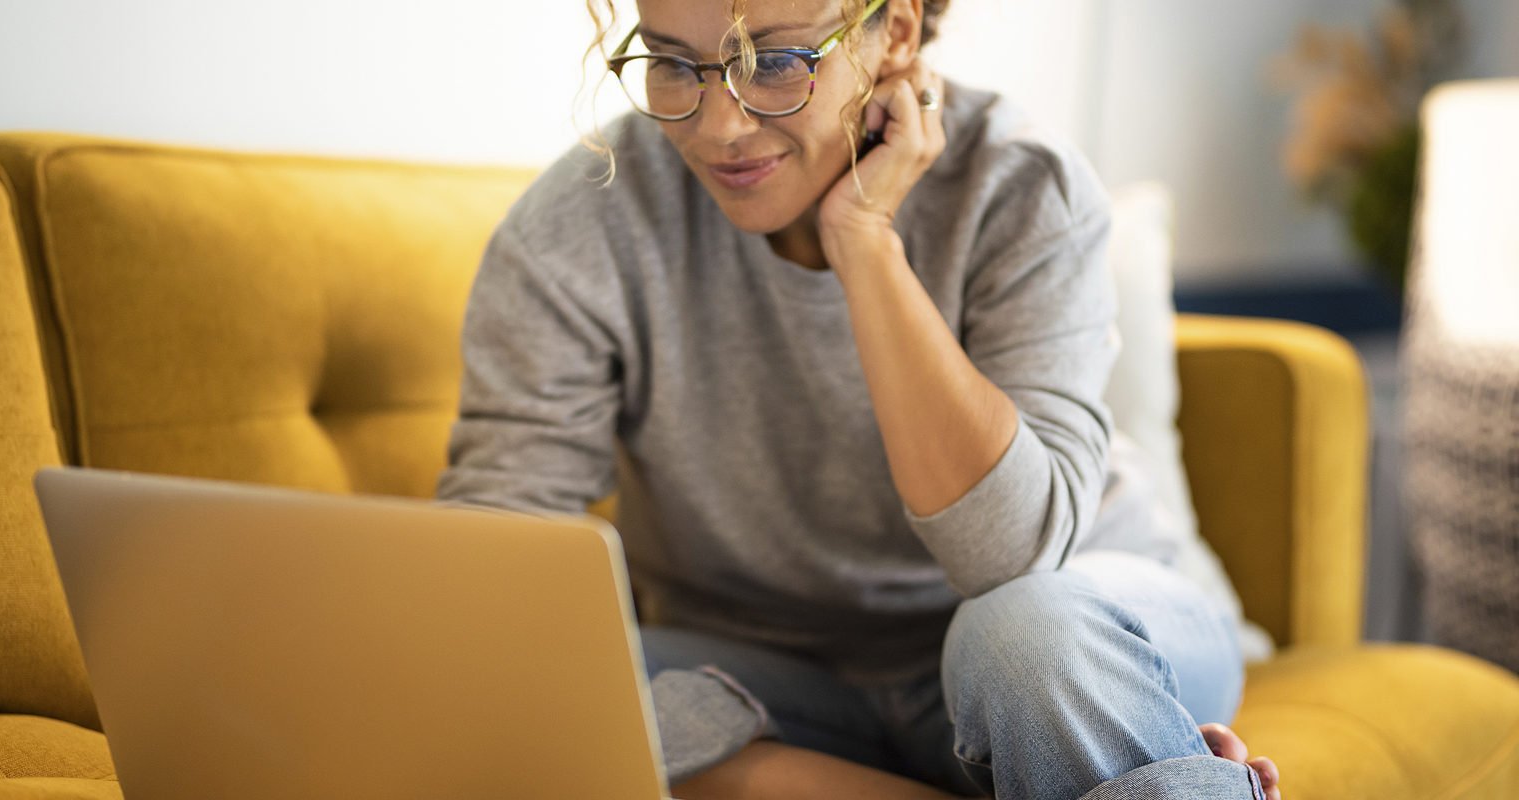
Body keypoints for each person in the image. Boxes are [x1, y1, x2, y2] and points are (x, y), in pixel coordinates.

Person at [435, 0, 1283, 797]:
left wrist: (864, 241)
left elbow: (1011, 555)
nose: (719, 125)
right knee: (542, 695)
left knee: (1026, 641)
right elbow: (500, 566)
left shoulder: (1021, 185)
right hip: (764, 673)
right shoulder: (577, 227)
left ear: (897, 32)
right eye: (671, 62)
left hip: (1067, 627)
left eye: (774, 61)